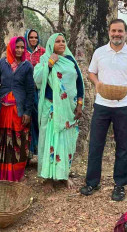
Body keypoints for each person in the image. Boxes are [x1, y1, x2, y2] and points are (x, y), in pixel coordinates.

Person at [80, 19, 127, 201]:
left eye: (120, 31)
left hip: (124, 107)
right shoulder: (100, 52)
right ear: (109, 32)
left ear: (126, 33)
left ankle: (120, 185)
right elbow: (91, 72)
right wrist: (97, 82)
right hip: (102, 106)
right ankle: (92, 182)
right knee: (95, 145)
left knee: (123, 147)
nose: (117, 34)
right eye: (114, 31)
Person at [33, 33, 84, 189]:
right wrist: (49, 64)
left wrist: (80, 105)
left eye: (63, 41)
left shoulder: (70, 61)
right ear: (50, 45)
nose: (62, 43)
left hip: (69, 110)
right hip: (51, 109)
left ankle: (63, 176)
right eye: (58, 41)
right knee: (51, 141)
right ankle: (48, 178)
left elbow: (79, 84)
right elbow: (37, 81)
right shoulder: (44, 60)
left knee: (66, 143)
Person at [0, 36, 35, 181]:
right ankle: (2, 173)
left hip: (18, 110)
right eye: (17, 47)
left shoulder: (27, 66)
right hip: (2, 110)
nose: (20, 50)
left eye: (22, 47)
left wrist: (28, 112)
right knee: (3, 140)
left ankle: (15, 174)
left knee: (17, 141)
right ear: (11, 47)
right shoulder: (1, 64)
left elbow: (30, 91)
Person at [23, 29, 46, 163]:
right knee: (27, 120)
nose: (33, 40)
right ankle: (28, 152)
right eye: (31, 37)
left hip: (39, 91)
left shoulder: (42, 52)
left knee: (39, 119)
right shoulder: (23, 51)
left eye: (35, 37)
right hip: (26, 91)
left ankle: (39, 150)